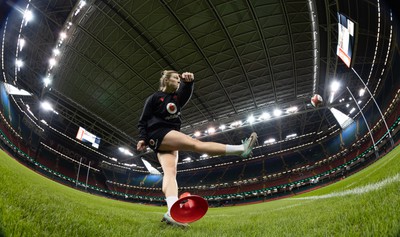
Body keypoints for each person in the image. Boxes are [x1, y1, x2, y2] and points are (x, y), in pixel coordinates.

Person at [137, 70, 257, 227]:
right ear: (166, 81)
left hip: (168, 138)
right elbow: (143, 119)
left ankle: (172, 212)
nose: (178, 81)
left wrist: (188, 83)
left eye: (179, 80)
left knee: (170, 173)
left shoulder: (176, 98)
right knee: (196, 144)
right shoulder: (154, 98)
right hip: (158, 133)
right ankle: (240, 149)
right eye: (175, 78)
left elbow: (185, 94)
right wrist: (142, 138)